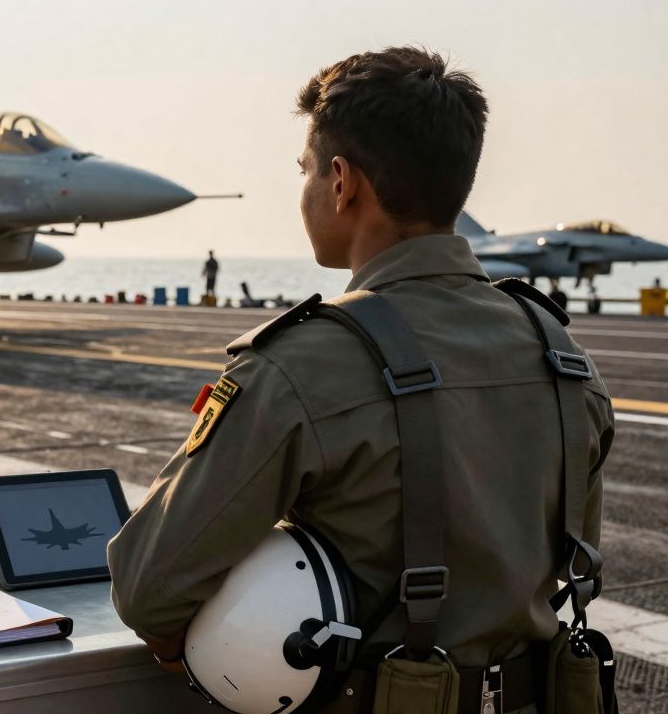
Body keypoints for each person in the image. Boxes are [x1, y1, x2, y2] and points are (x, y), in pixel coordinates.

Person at [108, 47, 615, 713]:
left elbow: (149, 584)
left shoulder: (304, 365)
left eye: (306, 170)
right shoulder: (563, 357)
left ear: (342, 182)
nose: (307, 188)